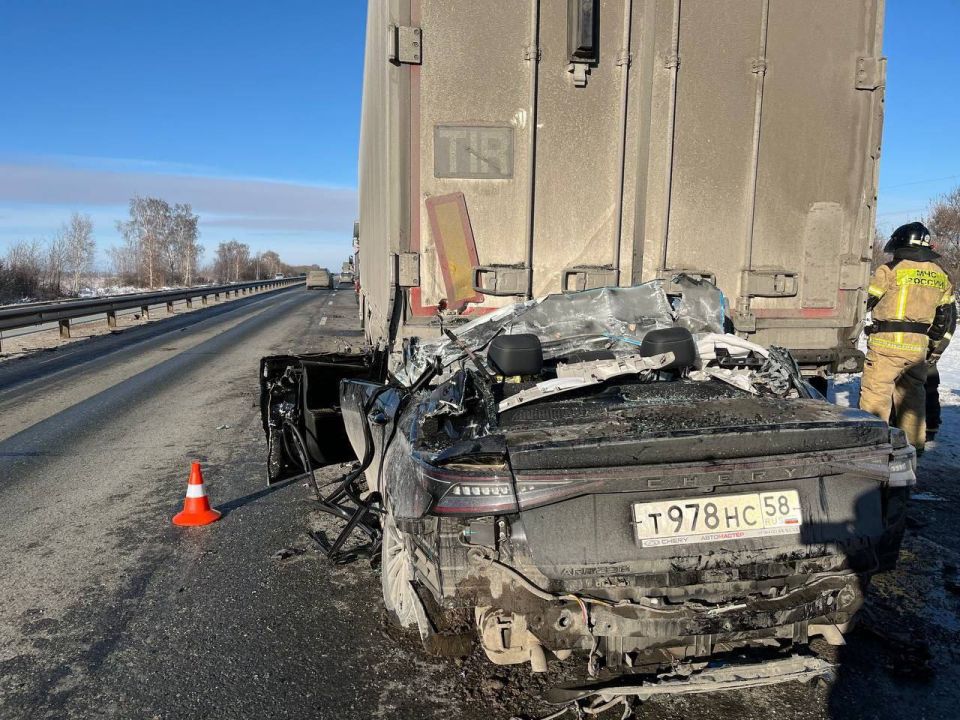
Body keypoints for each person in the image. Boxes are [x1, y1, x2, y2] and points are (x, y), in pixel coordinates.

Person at [860, 222, 955, 453]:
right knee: (912, 400)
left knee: (876, 395)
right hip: (918, 349)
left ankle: (872, 447)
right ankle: (913, 449)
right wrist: (931, 345)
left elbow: (865, 302)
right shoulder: (940, 275)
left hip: (886, 345)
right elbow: (945, 317)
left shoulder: (889, 270)